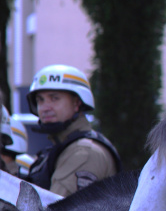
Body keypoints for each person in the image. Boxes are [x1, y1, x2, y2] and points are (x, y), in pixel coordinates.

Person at [25, 64, 121, 196]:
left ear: (77, 103)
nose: (45, 107)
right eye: (40, 100)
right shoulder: (62, 149)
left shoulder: (83, 152)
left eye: (54, 98)